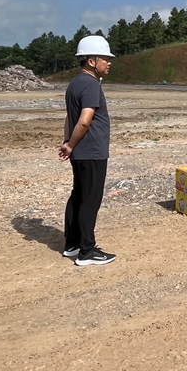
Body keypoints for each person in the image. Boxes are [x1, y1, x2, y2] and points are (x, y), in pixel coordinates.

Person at [58, 35, 116, 266]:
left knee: (78, 196)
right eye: (105, 58)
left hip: (80, 151)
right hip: (92, 151)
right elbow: (83, 121)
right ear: (92, 61)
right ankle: (87, 251)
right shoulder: (91, 84)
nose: (109, 62)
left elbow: (69, 118)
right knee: (90, 200)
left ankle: (71, 244)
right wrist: (71, 144)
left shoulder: (74, 83)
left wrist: (68, 143)